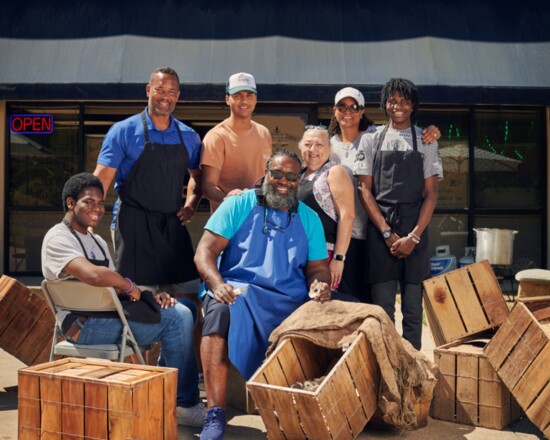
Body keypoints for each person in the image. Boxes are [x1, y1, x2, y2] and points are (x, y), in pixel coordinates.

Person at [41, 172, 205, 427]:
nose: (96, 208)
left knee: (185, 307)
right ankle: (184, 403)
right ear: (71, 203)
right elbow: (95, 275)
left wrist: (148, 294)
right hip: (84, 326)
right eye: (88, 202)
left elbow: (114, 283)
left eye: (100, 203)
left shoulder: (95, 240)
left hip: (109, 315)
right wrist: (130, 286)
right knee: (178, 319)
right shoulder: (57, 237)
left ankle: (164, 380)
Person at [194, 151, 331, 440]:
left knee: (334, 319)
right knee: (218, 313)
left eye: (291, 177)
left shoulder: (310, 219)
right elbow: (205, 251)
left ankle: (297, 408)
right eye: (277, 174)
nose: (283, 181)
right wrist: (217, 283)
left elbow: (318, 268)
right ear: (265, 174)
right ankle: (215, 413)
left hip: (289, 297)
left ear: (299, 180)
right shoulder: (240, 204)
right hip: (239, 290)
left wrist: (320, 284)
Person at [92, 66, 204, 378]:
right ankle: (135, 376)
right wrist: (85, 220)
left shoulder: (189, 136)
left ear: (178, 96)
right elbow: (100, 181)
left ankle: (182, 377)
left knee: (188, 301)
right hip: (133, 223)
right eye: (160, 90)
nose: (165, 97)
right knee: (134, 300)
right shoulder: (123, 131)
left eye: (171, 92)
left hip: (172, 226)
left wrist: (192, 203)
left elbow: (198, 177)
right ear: (148, 90)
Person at [329, 87, 441, 303]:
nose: (348, 111)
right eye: (342, 106)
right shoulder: (326, 143)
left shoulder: (373, 136)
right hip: (342, 236)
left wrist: (433, 132)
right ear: (334, 110)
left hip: (369, 234)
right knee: (345, 302)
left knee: (378, 304)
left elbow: (431, 192)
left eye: (354, 107)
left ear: (362, 111)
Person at [354, 78, 443, 350]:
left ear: (413, 105)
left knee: (414, 312)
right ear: (384, 104)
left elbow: (432, 194)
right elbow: (364, 190)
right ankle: (389, 369)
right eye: (392, 101)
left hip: (416, 227)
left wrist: (413, 237)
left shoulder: (426, 140)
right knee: (382, 309)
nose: (398, 107)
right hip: (380, 229)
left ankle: (413, 372)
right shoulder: (370, 138)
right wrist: (386, 232)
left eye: (404, 101)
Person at [297, 125, 357, 295]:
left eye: (319, 144)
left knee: (322, 302)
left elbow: (348, 216)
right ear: (301, 147)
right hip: (299, 255)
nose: (313, 149)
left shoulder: (334, 172)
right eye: (308, 144)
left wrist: (339, 258)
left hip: (325, 256)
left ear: (329, 149)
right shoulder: (298, 175)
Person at [200, 72, 272, 212]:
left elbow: (267, 177)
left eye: (249, 95)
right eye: (237, 95)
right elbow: (208, 186)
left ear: (255, 99)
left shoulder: (264, 133)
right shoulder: (216, 136)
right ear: (228, 99)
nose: (244, 101)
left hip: (259, 217)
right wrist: (227, 199)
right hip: (228, 219)